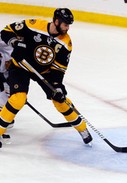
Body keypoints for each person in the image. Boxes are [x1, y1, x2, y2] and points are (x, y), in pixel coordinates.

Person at [0, 8, 93, 148]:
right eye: (65, 24)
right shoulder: (33, 25)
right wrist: (14, 43)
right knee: (18, 99)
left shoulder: (65, 43)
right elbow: (6, 31)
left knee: (60, 100)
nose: (67, 28)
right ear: (56, 21)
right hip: (20, 67)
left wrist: (57, 85)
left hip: (43, 72)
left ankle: (83, 129)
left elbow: (59, 70)